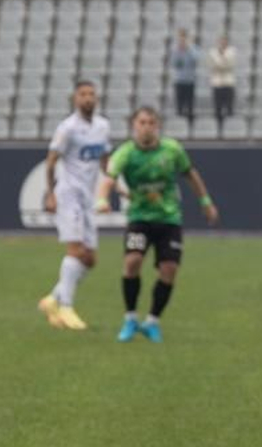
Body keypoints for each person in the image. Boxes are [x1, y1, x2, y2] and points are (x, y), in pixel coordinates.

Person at [94, 106, 220, 344]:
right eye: (142, 122)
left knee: (169, 270)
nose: (146, 127)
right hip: (139, 219)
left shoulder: (172, 150)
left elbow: (190, 174)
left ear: (158, 126)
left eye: (151, 123)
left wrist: (205, 202)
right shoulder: (126, 153)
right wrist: (101, 199)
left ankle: (152, 321)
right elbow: (108, 179)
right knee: (132, 262)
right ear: (134, 126)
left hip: (168, 219)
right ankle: (130, 318)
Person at [37, 80, 112, 332]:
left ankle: (52, 299)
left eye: (92, 94)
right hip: (68, 194)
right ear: (75, 99)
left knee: (90, 259)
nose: (88, 98)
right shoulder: (67, 128)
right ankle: (66, 308)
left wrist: (119, 187)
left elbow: (105, 163)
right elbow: (50, 162)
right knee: (76, 250)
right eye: (83, 94)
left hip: (87, 197)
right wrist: (50, 194)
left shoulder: (103, 126)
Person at [207, 34, 237, 131]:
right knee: (217, 108)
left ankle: (231, 130)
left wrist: (220, 62)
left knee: (229, 108)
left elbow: (230, 64)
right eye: (221, 41)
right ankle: (218, 129)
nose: (222, 43)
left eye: (224, 41)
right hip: (217, 83)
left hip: (228, 83)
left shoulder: (232, 51)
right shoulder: (212, 52)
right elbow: (211, 65)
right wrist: (222, 63)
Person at [170, 28, 200, 123]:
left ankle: (189, 121)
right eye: (180, 38)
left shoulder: (193, 48)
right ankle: (179, 121)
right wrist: (179, 51)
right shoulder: (175, 49)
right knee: (180, 101)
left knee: (190, 102)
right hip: (179, 79)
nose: (182, 40)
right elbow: (174, 63)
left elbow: (197, 58)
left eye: (184, 37)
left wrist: (189, 48)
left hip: (190, 79)